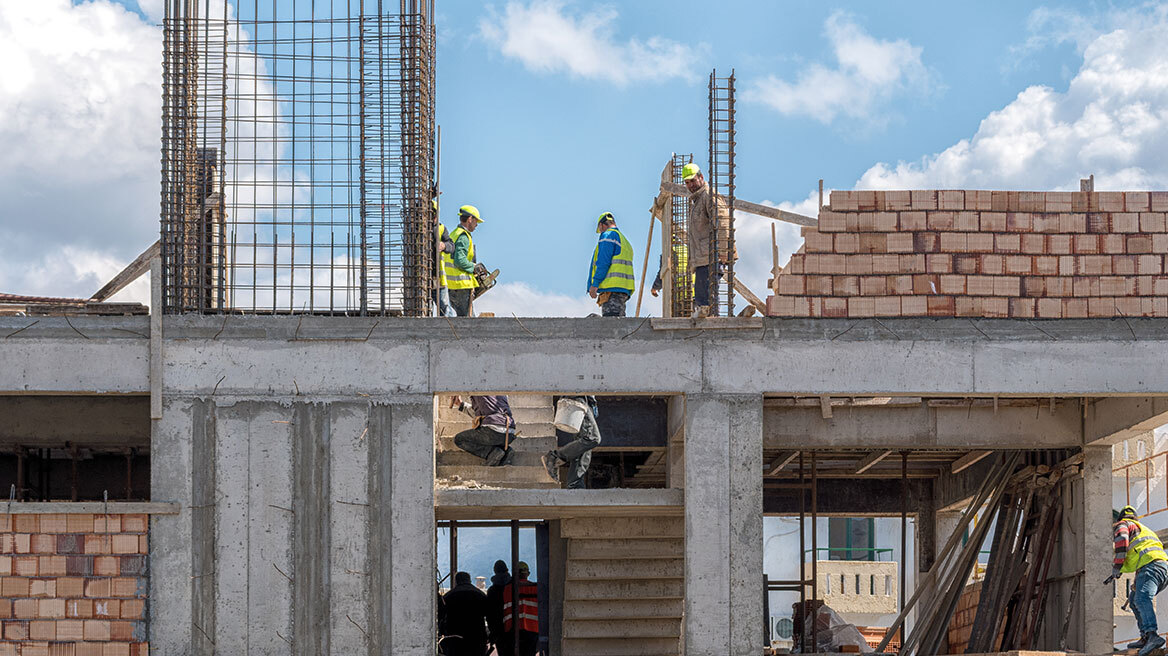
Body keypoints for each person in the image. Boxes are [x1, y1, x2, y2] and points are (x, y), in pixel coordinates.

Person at [1106, 505, 1168, 655]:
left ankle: (1152, 635)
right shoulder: (1143, 529)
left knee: (1141, 599)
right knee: (1134, 601)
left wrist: (1116, 567)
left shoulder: (1123, 524)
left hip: (1151, 567)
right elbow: (1141, 553)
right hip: (1159, 568)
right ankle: (1146, 637)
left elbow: (1122, 541)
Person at [682, 163, 737, 318]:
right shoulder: (698, 200)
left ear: (701, 177)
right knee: (701, 299)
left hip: (712, 257)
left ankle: (712, 326)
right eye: (687, 182)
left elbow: (723, 223)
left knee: (708, 297)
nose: (690, 185)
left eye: (692, 180)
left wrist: (724, 251)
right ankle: (707, 325)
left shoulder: (709, 196)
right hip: (702, 259)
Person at [542, 396, 601, 489]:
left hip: (584, 400)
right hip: (579, 398)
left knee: (583, 448)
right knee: (592, 438)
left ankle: (575, 485)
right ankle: (554, 457)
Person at [587, 212, 635, 317]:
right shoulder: (625, 241)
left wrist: (595, 284)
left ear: (601, 225)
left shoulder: (608, 235)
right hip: (623, 290)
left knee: (611, 325)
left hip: (611, 289)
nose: (600, 233)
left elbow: (603, 262)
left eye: (600, 230)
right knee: (618, 324)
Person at [450, 394, 516, 466]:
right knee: (494, 436)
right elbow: (486, 412)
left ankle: (492, 452)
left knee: (459, 439)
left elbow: (480, 414)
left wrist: (456, 393)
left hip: (493, 432)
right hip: (509, 433)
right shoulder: (501, 392)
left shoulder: (479, 390)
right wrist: (461, 404)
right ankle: (506, 451)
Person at [444, 205, 483, 317]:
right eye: (476, 222)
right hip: (460, 285)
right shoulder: (463, 236)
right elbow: (460, 260)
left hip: (451, 285)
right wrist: (474, 267)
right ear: (470, 219)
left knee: (459, 319)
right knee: (468, 320)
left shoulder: (454, 233)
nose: (476, 225)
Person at [441, 571, 489, 656]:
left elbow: (442, 617)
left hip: (455, 637)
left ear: (456, 581)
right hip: (477, 636)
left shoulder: (448, 596)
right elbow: (489, 614)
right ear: (469, 580)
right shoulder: (480, 594)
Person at [501, 561, 539, 656]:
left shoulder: (508, 588)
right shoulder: (535, 588)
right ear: (528, 574)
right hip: (532, 628)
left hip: (512, 628)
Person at [433, 198, 457, 317]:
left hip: (436, 275)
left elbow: (452, 246)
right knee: (420, 305)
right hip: (420, 276)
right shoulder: (417, 228)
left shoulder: (441, 228)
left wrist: (444, 245)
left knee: (444, 306)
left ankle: (448, 329)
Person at [485, 560, 511, 651]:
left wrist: (492, 632)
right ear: (507, 570)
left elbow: (489, 613)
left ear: (495, 571)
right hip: (513, 628)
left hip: (498, 629)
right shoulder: (514, 587)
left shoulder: (492, 590)